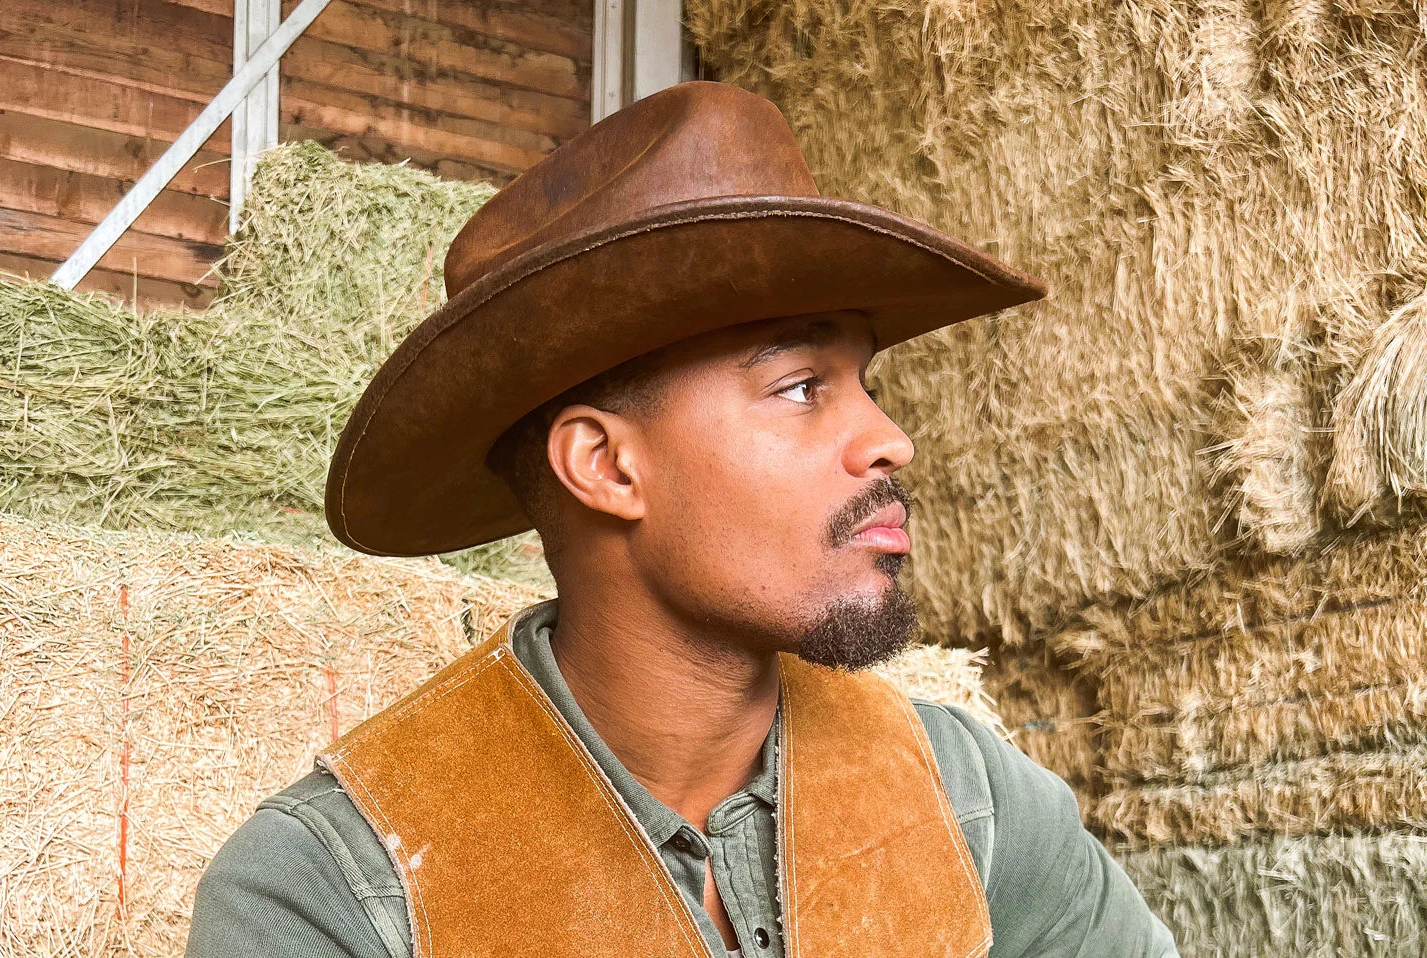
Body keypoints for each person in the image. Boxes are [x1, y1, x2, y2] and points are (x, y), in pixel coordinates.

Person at [185, 80, 1178, 957]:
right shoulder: (336, 892)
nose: (888, 440)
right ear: (608, 465)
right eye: (800, 387)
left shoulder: (974, 799)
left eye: (864, 383)